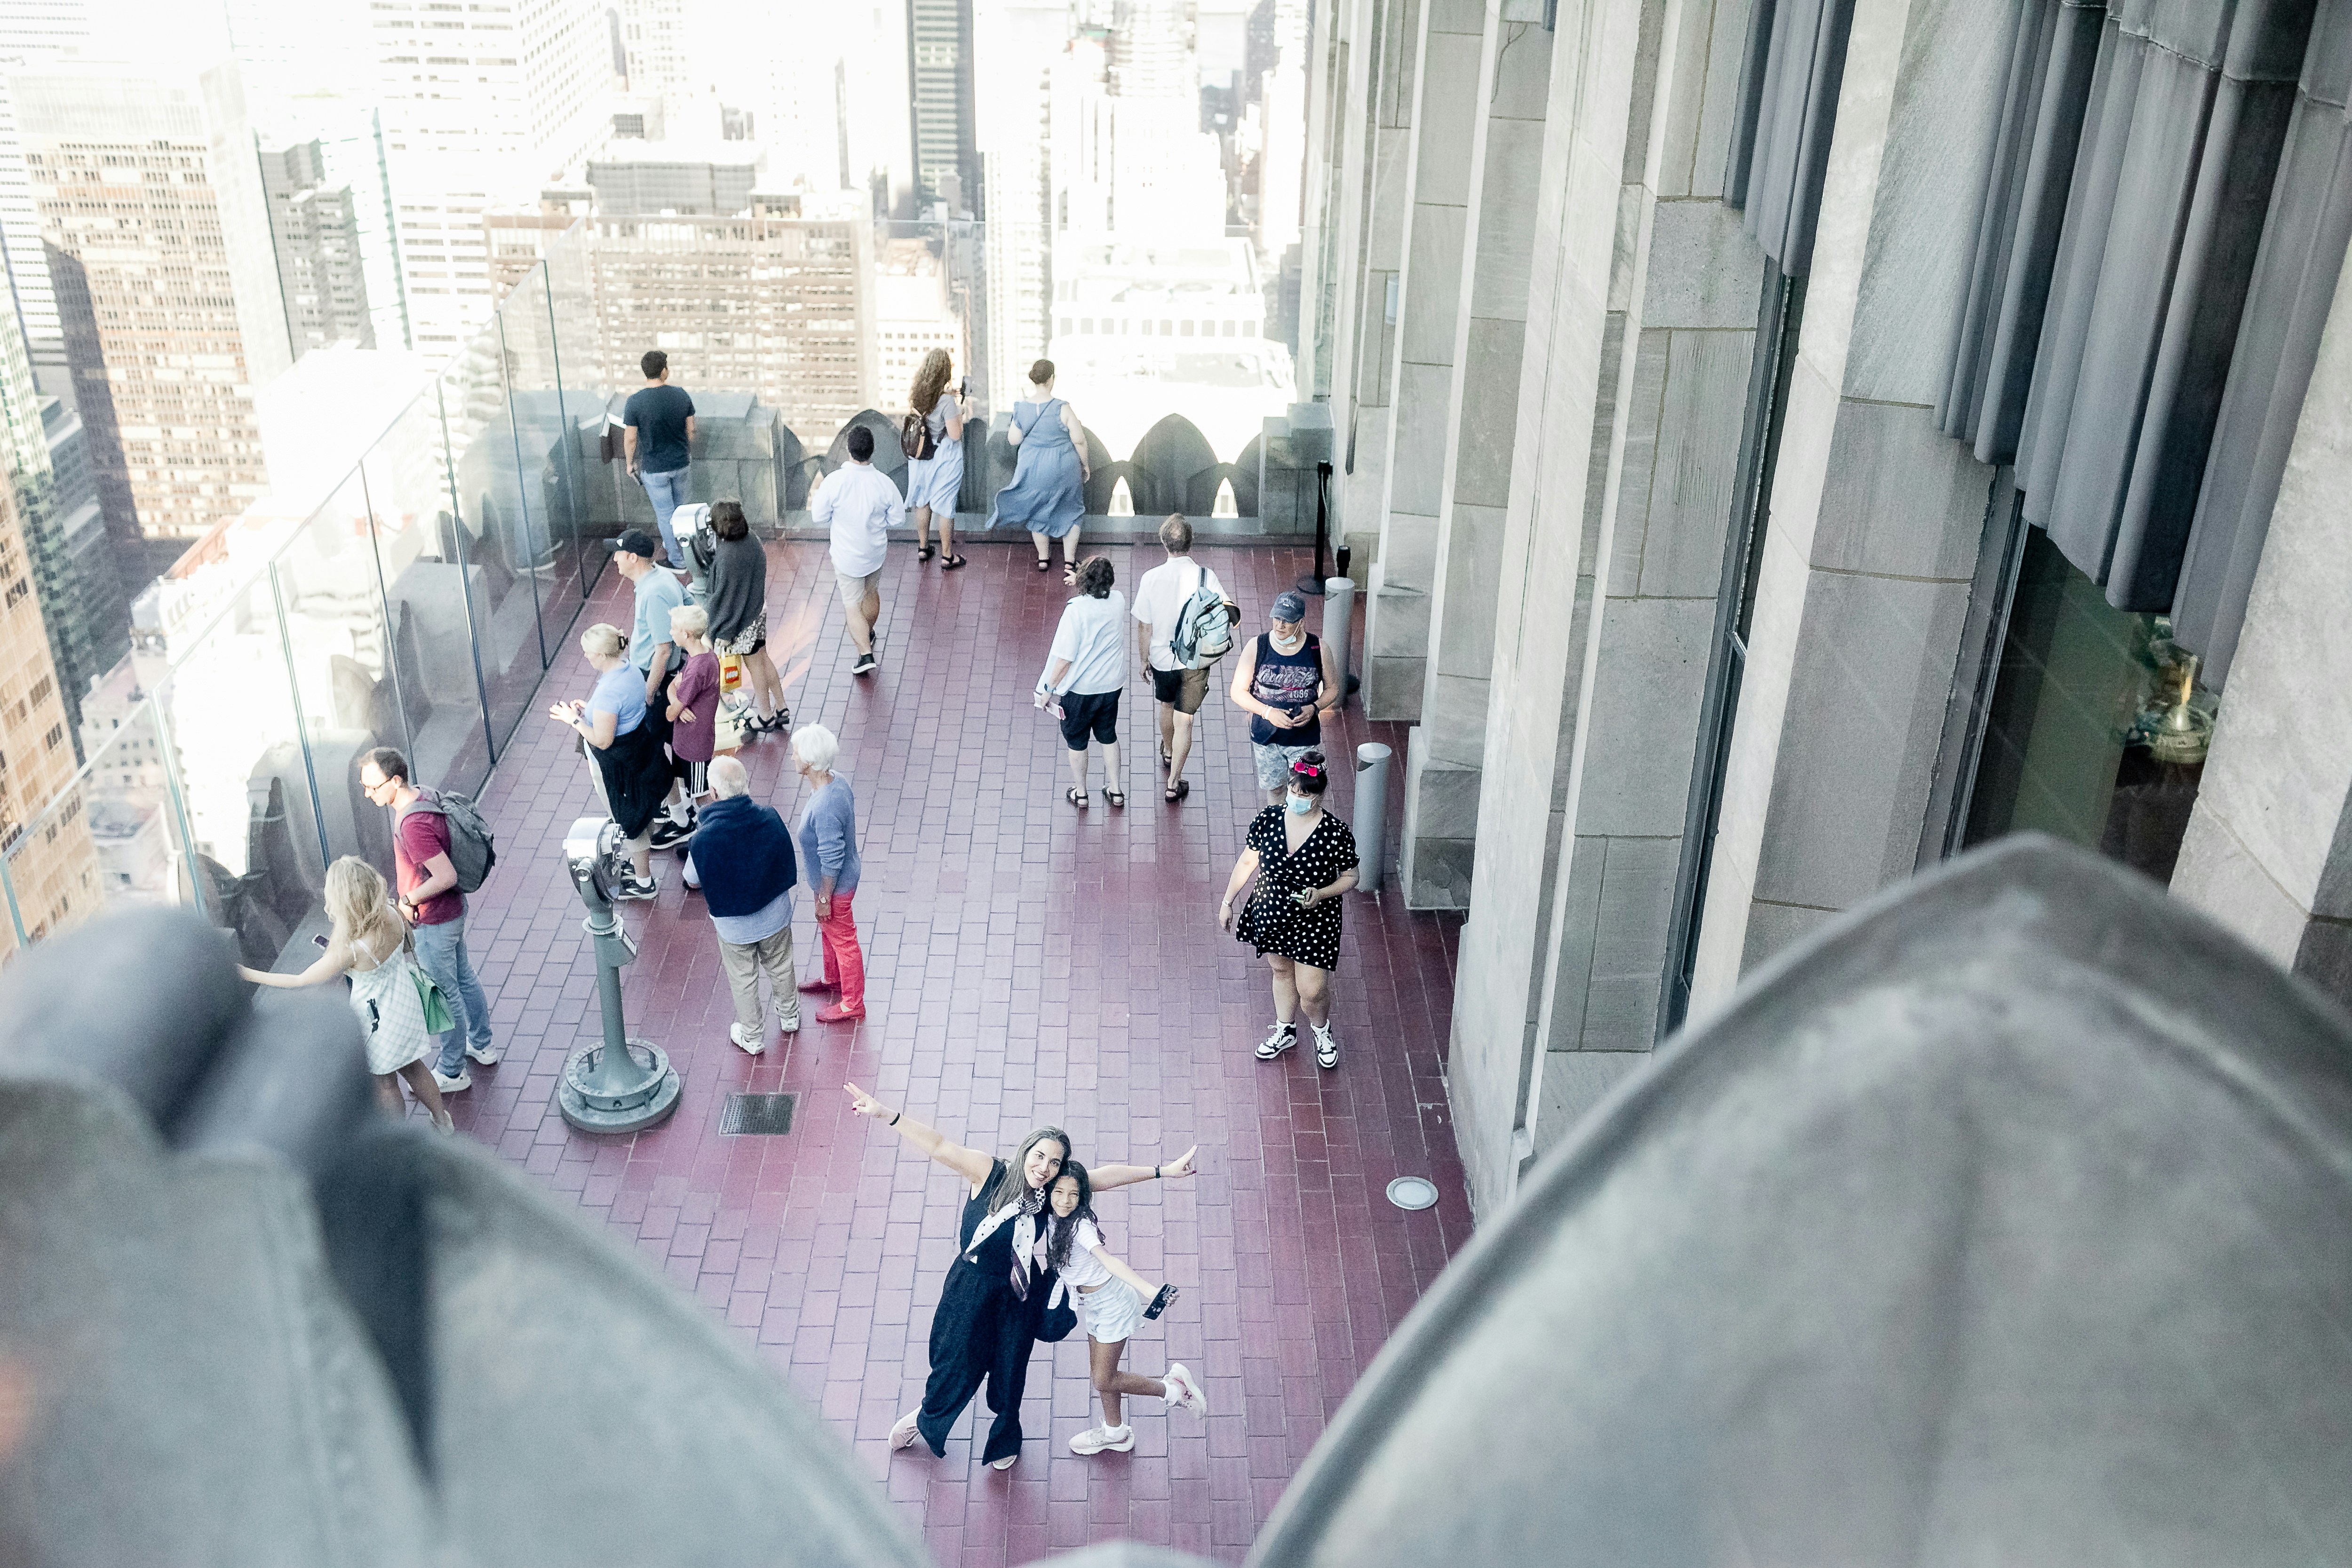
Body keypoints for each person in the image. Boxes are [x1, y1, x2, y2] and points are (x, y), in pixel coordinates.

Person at [840, 1083, 1197, 1470]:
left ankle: (1006, 1435)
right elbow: (939, 1145)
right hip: (971, 1287)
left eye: (1055, 1162)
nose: (1045, 1168)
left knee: (1011, 1368)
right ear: (1027, 1150)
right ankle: (926, 1416)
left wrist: (1163, 1171)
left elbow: (1103, 1177)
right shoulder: (989, 1172)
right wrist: (885, 1114)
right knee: (955, 1361)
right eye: (1040, 1156)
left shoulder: (1052, 1193)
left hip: (1017, 1293)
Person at [238, 856, 455, 1134]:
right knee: (415, 1068)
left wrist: (245, 973)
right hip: (405, 1005)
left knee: (386, 1084)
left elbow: (299, 980)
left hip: (378, 1024)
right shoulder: (391, 913)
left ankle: (398, 1138)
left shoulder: (350, 951)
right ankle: (443, 1121)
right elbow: (406, 946)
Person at [1039, 1161, 1209, 1456]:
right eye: (1059, 1192)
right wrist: (1163, 1171)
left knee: (1103, 1378)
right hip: (1093, 1303)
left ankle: (1174, 1390)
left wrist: (1150, 1291)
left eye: (1074, 1195)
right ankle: (1116, 1433)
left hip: (1111, 1305)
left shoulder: (1080, 1227)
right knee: (1103, 1374)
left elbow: (1109, 1261)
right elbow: (1110, 1174)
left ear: (1083, 1197)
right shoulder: (1050, 1211)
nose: (1065, 1201)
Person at [359, 747, 498, 1096]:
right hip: (452, 913)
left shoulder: (413, 823)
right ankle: (482, 1044)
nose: (368, 794)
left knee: (446, 992)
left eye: (373, 787)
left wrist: (408, 900)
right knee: (464, 977)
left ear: (395, 780)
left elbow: (446, 875)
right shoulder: (423, 795)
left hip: (435, 920)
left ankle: (452, 1069)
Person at [1217, 750, 1360, 1069]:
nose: (1297, 797)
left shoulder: (1335, 834)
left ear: (1319, 794)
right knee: (1281, 970)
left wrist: (1322, 893)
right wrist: (1228, 902)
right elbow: (1247, 861)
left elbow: (1352, 876)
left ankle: (1321, 1029)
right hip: (1273, 911)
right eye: (1294, 790)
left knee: (1312, 989)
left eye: (1305, 793)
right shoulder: (1268, 820)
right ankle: (1286, 1030)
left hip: (1316, 919)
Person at [687, 756, 802, 1054]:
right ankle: (789, 1016)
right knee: (780, 964)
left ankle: (752, 1036)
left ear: (713, 793)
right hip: (775, 915)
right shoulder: (770, 817)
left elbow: (692, 878)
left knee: (744, 978)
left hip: (734, 926)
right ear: (745, 785)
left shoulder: (702, 838)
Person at [550, 622, 671, 900]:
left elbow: (602, 740)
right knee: (642, 809)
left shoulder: (608, 692)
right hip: (639, 751)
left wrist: (576, 720)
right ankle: (642, 868)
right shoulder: (628, 669)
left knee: (629, 817)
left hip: (618, 764)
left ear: (602, 656)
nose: (585, 657)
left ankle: (644, 883)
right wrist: (591, 711)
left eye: (588, 653)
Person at [1131, 513, 1230, 804]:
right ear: (1191, 541)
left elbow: (1144, 625)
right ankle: (1174, 782)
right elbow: (1226, 613)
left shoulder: (1150, 578)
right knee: (1185, 720)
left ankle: (1168, 751)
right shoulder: (1206, 576)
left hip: (1162, 658)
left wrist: (1144, 659)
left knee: (1166, 704)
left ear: (1164, 542)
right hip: (1195, 660)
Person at [614, 529, 697, 847]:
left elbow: (663, 649)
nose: (615, 559)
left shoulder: (653, 591)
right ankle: (681, 804)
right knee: (668, 745)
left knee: (652, 751)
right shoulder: (659, 577)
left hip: (656, 678)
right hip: (661, 674)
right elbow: (690, 604)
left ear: (633, 558)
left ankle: (682, 817)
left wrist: (649, 694)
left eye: (619, 553)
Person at [1230, 589, 1343, 805]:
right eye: (1277, 618)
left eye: (1287, 621)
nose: (1280, 625)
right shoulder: (1258, 646)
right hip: (1266, 738)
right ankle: (1279, 832)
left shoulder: (1318, 648)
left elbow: (1332, 689)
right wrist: (1267, 712)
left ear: (1301, 622)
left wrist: (1315, 708)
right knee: (1276, 790)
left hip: (1304, 739)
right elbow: (1237, 691)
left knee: (1307, 791)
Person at [1035, 556, 1128, 809]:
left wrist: (1048, 691)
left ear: (1084, 581)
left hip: (1080, 690)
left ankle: (1082, 792)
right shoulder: (1118, 601)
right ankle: (1116, 790)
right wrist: (1084, 578)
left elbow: (1064, 660)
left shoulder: (1075, 611)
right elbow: (1100, 589)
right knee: (1108, 735)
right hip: (1111, 685)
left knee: (1077, 741)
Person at [985, 358, 1089, 580]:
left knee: (1038, 510)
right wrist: (1085, 465)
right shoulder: (1063, 408)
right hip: (1063, 467)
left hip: (1033, 469)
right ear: (1052, 379)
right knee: (1072, 511)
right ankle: (1070, 564)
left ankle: (1044, 558)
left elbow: (1013, 440)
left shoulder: (1021, 408)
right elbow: (1079, 440)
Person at [812, 424, 902, 676]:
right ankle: (869, 633)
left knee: (852, 604)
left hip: (847, 556)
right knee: (871, 592)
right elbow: (897, 519)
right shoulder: (884, 483)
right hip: (875, 553)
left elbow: (819, 515)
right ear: (872, 451)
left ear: (849, 450)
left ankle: (865, 654)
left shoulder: (834, 482)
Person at [791, 724, 865, 1022]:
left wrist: (824, 897)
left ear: (809, 762)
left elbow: (831, 857)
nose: (792, 758)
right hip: (837, 880)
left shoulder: (823, 805)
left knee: (843, 939)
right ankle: (833, 978)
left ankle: (852, 1002)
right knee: (830, 932)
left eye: (796, 753)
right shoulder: (837, 782)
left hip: (834, 886)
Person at [704, 500, 787, 735]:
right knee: (763, 656)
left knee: (755, 666)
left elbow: (724, 598)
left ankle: (766, 715)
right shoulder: (753, 541)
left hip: (743, 621)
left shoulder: (726, 556)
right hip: (757, 610)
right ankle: (782, 707)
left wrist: (719, 631)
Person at [623, 349, 696, 568]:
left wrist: (629, 464)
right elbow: (691, 430)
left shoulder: (635, 402)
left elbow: (631, 439)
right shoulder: (681, 394)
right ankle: (690, 554)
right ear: (664, 371)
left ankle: (677, 560)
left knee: (665, 515)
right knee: (683, 511)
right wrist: (686, 450)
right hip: (681, 463)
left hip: (654, 468)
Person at [903, 348, 969, 571]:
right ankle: (948, 556)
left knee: (923, 501)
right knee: (944, 506)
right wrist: (960, 410)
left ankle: (923, 548)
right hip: (943, 458)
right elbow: (955, 434)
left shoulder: (917, 395)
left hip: (920, 456)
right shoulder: (947, 403)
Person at [665, 603, 720, 809]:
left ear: (686, 634)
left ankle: (706, 828)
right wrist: (678, 702)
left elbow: (671, 715)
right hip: (687, 741)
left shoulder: (697, 669)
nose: (671, 632)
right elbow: (674, 689)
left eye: (674, 629)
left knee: (701, 796)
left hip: (695, 745)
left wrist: (676, 705)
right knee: (689, 786)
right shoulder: (704, 655)